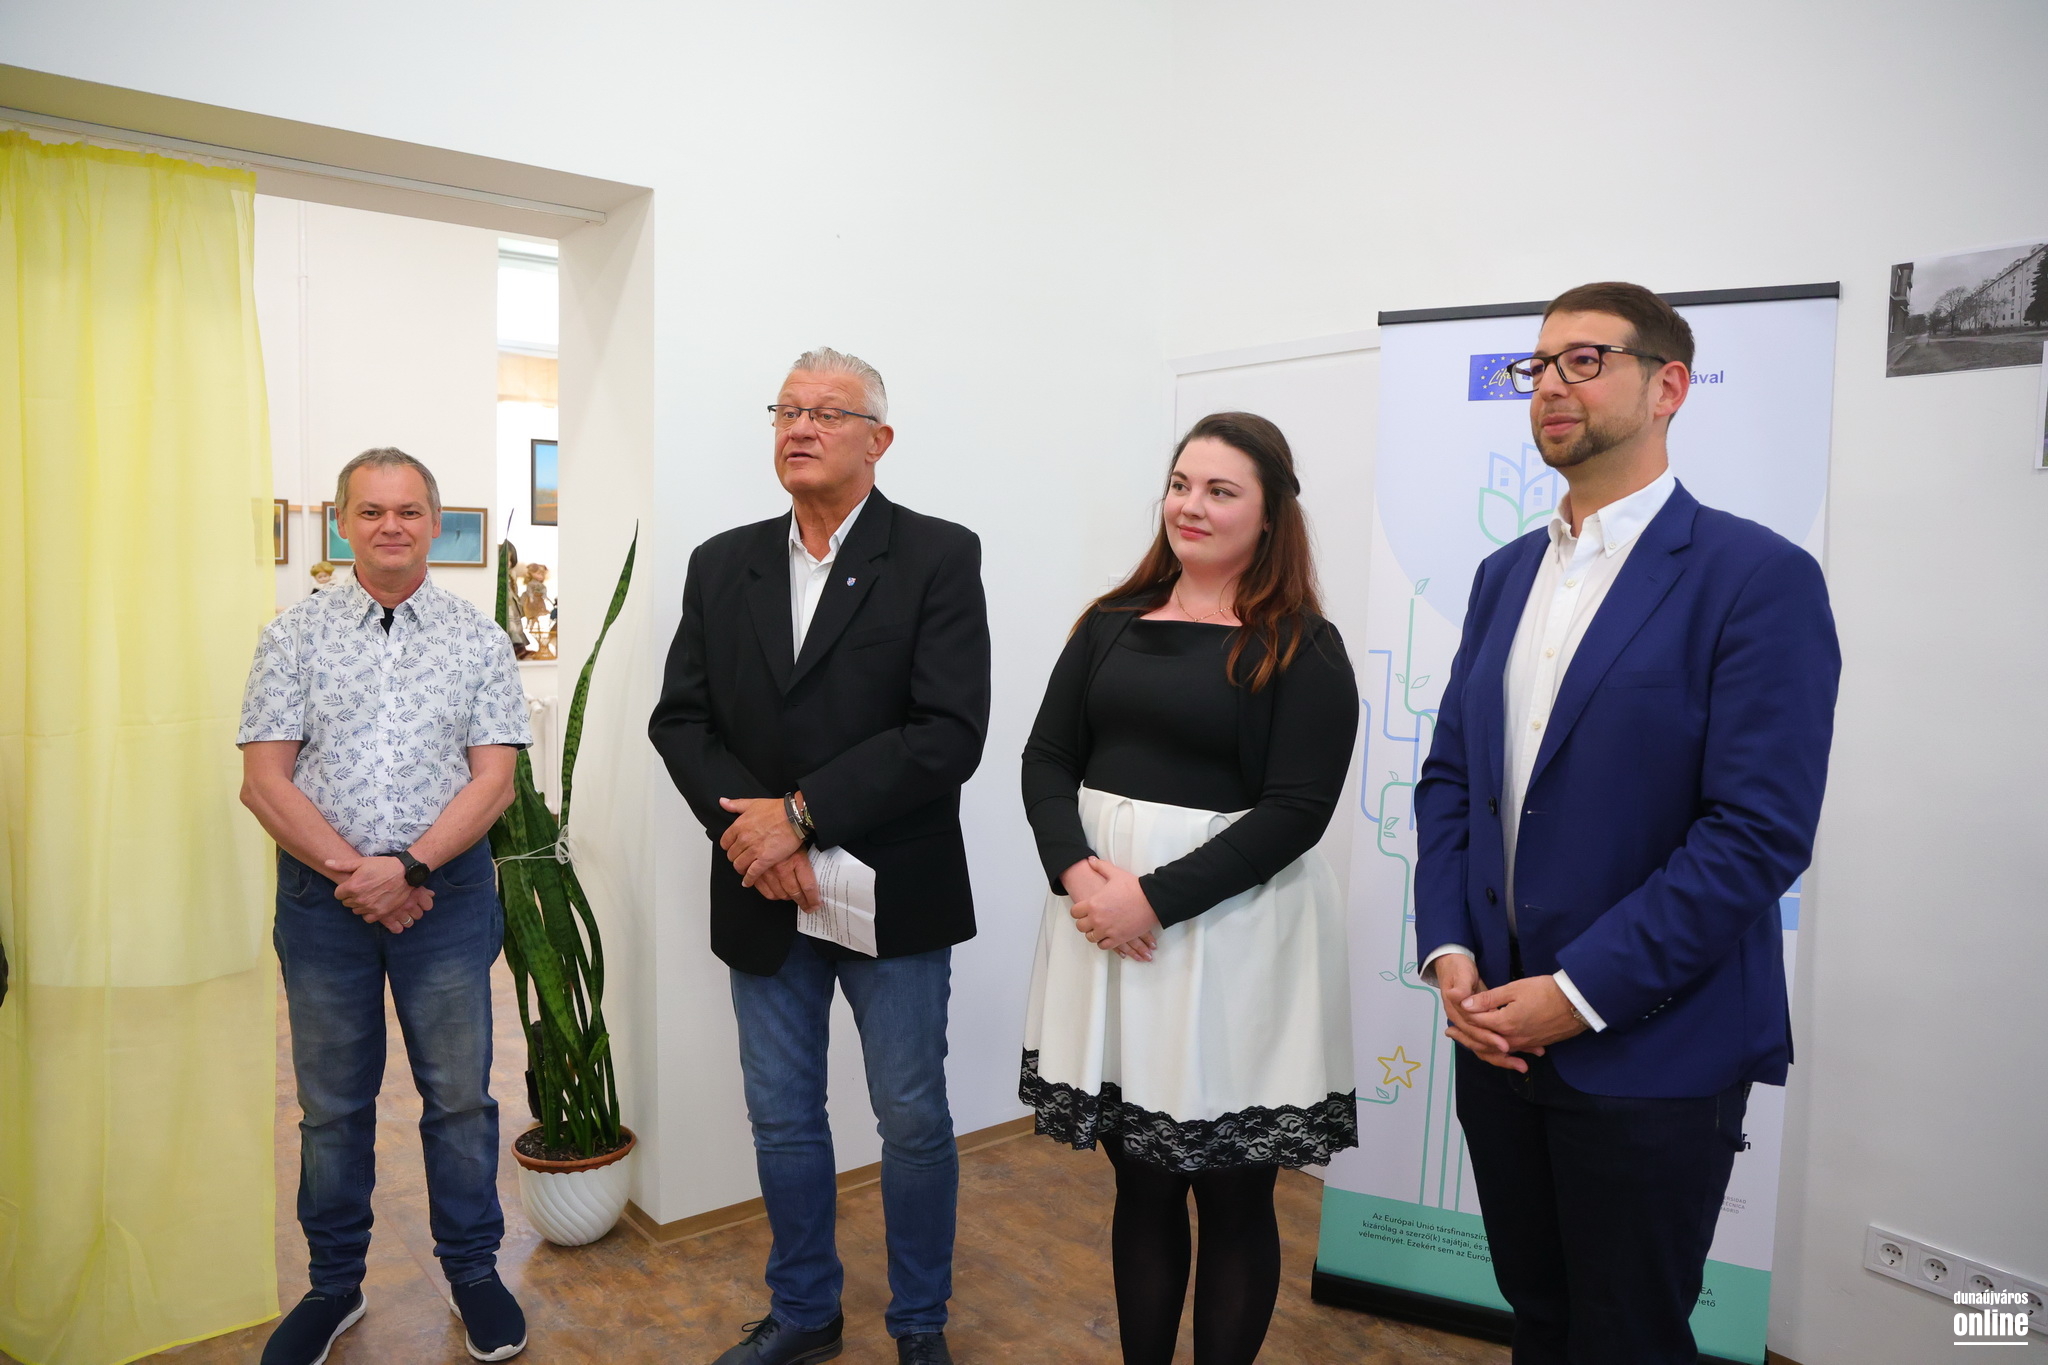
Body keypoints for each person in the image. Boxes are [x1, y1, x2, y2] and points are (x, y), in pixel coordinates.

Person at [1414, 282, 1840, 1364]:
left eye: (1585, 360)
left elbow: (1755, 832)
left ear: (1668, 386)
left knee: (1628, 1339)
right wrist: (1449, 947)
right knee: (1539, 1317)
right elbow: (1452, 781)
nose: (1551, 385)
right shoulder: (1501, 575)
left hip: (1653, 1047)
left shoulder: (1756, 578)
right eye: (1538, 365)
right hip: (1496, 1041)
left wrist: (1575, 994)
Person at [649, 348, 991, 1365]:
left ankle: (919, 1321)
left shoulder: (936, 554)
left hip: (893, 890)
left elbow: (947, 732)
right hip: (763, 891)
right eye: (786, 410)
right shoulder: (722, 563)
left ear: (878, 440)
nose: (799, 426)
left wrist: (796, 816)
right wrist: (753, 839)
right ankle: (804, 1311)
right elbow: (681, 722)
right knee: (783, 1119)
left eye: (826, 412)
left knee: (912, 1117)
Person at [1019, 412, 1359, 1365]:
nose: (1190, 506)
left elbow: (1297, 811)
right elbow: (1046, 758)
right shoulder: (1109, 623)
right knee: (1143, 1181)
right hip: (1104, 930)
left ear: (1270, 512)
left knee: (1234, 1190)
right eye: (1180, 484)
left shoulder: (1305, 646)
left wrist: (1152, 899)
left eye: (1220, 490)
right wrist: (1079, 873)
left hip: (1235, 938)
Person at [238, 448, 533, 1364]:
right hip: (322, 903)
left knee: (458, 1098)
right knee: (331, 1105)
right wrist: (360, 876)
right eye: (371, 511)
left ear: (434, 522)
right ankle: (334, 1286)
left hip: (446, 898)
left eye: (408, 510)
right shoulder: (293, 636)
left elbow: (495, 781)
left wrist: (407, 866)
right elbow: (263, 780)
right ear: (342, 524)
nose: (391, 526)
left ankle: (473, 1272)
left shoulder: (478, 639)